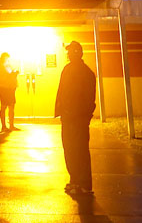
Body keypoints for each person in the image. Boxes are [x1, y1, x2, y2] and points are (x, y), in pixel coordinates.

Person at [54, 40, 96, 195]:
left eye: (72, 51)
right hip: (67, 118)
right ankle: (74, 180)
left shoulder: (86, 73)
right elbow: (62, 91)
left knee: (80, 151)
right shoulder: (67, 69)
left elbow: (89, 98)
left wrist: (85, 117)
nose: (69, 54)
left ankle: (84, 184)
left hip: (79, 119)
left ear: (78, 53)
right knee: (70, 149)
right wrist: (61, 112)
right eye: (68, 51)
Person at [0, 52, 20, 132]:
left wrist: (13, 73)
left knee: (11, 106)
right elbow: (3, 77)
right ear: (3, 57)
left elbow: (9, 73)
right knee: (4, 106)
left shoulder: (6, 65)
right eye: (6, 58)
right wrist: (13, 74)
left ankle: (11, 125)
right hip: (4, 88)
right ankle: (4, 126)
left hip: (10, 88)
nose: (7, 60)